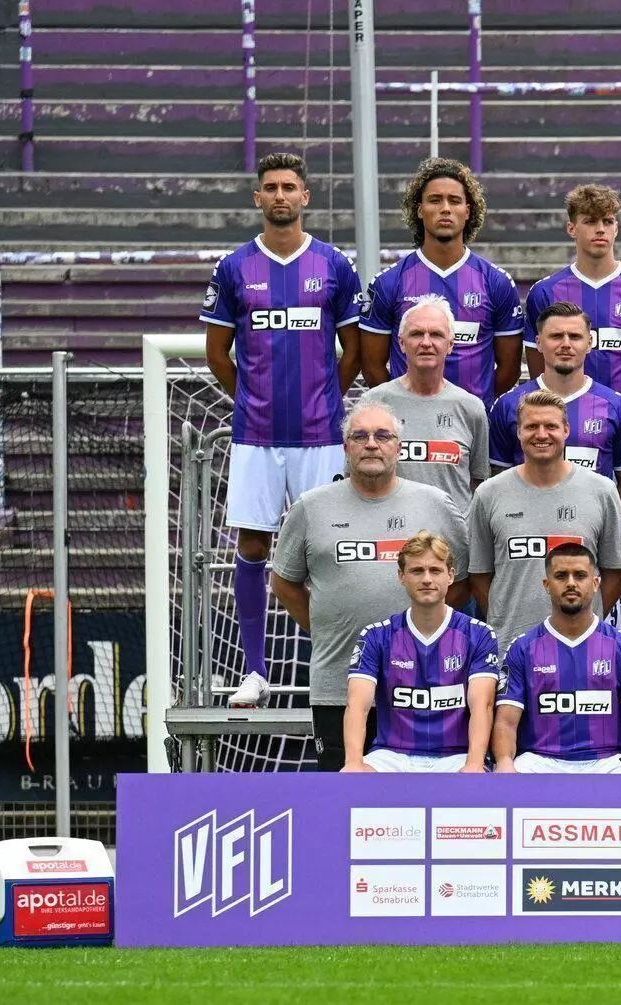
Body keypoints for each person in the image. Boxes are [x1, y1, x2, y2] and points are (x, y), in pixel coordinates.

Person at [204, 151, 364, 709]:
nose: (279, 195)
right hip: (256, 434)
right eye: (269, 186)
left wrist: (327, 398)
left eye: (289, 186)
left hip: (320, 435)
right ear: (257, 198)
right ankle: (254, 671)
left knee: (330, 544)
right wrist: (252, 398)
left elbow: (356, 352)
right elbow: (217, 354)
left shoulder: (335, 266)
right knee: (253, 543)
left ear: (305, 196)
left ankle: (340, 658)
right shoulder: (233, 268)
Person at [268, 402, 468, 767]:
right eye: (359, 436)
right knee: (344, 805)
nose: (371, 444)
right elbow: (284, 584)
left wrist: (423, 633)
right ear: (346, 448)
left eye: (382, 436)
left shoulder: (436, 504)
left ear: (399, 447)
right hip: (338, 686)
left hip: (425, 688)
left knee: (424, 808)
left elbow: (463, 580)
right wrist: (327, 628)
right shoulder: (311, 508)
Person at [467, 389, 621, 650]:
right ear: (518, 431)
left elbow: (615, 574)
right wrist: (506, 619)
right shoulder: (489, 494)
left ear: (566, 430)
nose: (541, 434)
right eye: (531, 426)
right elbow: (479, 577)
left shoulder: (602, 491)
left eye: (550, 426)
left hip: (584, 646)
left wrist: (584, 618)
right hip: (511, 647)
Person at [359, 157, 522, 398]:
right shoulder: (388, 283)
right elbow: (372, 366)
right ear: (420, 210)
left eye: (454, 201)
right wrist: (401, 405)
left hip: (471, 428)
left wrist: (472, 407)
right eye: (435, 200)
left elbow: (509, 369)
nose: (445, 208)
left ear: (467, 212)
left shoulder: (496, 282)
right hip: (409, 427)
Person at [340, 531, 498, 773]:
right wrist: (353, 763)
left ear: (450, 576)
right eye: (417, 571)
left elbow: (482, 706)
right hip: (391, 755)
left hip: (456, 755)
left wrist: (475, 763)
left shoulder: (479, 635)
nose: (427, 579)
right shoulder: (375, 636)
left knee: (476, 778)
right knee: (353, 777)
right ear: (401, 576)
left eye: (435, 570)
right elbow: (357, 705)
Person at [492, 543, 621, 773]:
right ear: (547, 585)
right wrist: (504, 762)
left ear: (596, 583)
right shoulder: (522, 647)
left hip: (608, 761)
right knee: (514, 769)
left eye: (580, 575)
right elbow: (506, 722)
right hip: (540, 761)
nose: (571, 583)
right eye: (561, 576)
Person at [521, 183, 621, 403]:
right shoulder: (544, 293)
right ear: (571, 228)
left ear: (616, 228)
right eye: (591, 221)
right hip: (563, 428)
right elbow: (540, 372)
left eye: (607, 221)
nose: (600, 229)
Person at [488, 302, 621, 511]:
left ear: (589, 343)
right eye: (556, 336)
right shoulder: (507, 405)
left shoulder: (617, 406)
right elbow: (496, 482)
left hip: (590, 539)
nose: (566, 344)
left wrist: (597, 526)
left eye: (575, 337)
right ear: (539, 343)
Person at [360, 295, 491, 506]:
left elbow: (477, 482)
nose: (426, 343)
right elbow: (355, 475)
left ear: (450, 344)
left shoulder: (471, 408)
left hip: (451, 537)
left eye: (436, 335)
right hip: (392, 535)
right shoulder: (373, 402)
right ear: (402, 343)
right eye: (417, 334)